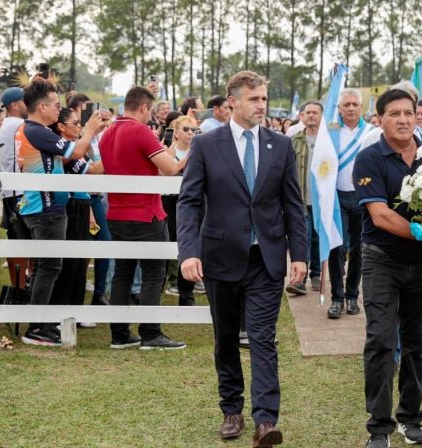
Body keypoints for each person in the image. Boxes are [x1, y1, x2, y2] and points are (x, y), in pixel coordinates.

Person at [177, 70, 307, 446]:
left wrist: (299, 254)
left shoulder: (280, 145)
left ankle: (265, 420)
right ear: (233, 101)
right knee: (226, 337)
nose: (262, 105)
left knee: (263, 338)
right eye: (255, 99)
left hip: (266, 258)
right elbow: (189, 202)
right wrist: (188, 252)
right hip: (220, 257)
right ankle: (231, 410)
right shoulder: (207, 144)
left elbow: (293, 204)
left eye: (264, 98)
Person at [354, 89, 422, 448]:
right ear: (379, 120)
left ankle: (411, 418)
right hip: (381, 261)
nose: (403, 119)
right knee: (381, 341)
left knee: (417, 344)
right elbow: (382, 216)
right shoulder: (369, 158)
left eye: (409, 112)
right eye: (394, 113)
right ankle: (379, 427)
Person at [16, 79, 106, 346]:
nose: (59, 108)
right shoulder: (36, 131)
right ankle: (37, 326)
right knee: (50, 267)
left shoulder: (33, 130)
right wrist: (90, 129)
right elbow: (76, 151)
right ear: (42, 106)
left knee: (45, 267)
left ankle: (40, 322)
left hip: (43, 208)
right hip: (45, 210)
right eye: (56, 104)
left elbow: (71, 158)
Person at [99, 85, 188, 350]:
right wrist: (189, 153)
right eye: (150, 111)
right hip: (145, 213)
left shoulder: (107, 133)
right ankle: (150, 332)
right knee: (153, 273)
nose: (151, 117)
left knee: (122, 274)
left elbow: (137, 168)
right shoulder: (140, 131)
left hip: (117, 212)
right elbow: (170, 169)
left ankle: (119, 334)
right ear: (144, 107)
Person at [48, 108, 104, 320]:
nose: (79, 126)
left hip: (81, 203)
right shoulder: (62, 150)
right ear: (62, 127)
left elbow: (94, 170)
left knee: (80, 260)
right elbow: (73, 159)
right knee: (69, 262)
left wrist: (112, 147)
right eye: (75, 122)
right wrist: (89, 133)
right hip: (68, 205)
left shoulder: (74, 150)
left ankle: (76, 310)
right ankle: (62, 313)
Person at [326, 88, 375, 318]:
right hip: (337, 197)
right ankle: (337, 298)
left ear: (361, 107)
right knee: (337, 247)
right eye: (346, 104)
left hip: (363, 197)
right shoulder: (331, 132)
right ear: (339, 108)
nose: (351, 108)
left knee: (359, 249)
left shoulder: (372, 132)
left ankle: (352, 296)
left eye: (355, 104)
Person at [286, 100, 324, 295]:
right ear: (302, 116)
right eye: (307, 112)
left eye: (315, 112)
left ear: (321, 116)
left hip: (322, 201)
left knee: (318, 240)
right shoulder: (294, 140)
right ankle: (300, 279)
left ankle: (316, 274)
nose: (311, 115)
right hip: (300, 199)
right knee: (303, 239)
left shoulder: (328, 141)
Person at [0, 87, 31, 293]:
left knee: (16, 240)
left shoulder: (7, 124)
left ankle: (18, 286)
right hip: (19, 192)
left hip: (11, 192)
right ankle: (20, 288)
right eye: (26, 100)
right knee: (22, 242)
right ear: (15, 105)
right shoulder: (18, 124)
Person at [161, 115, 196, 306]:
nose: (190, 133)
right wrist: (189, 157)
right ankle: (161, 286)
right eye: (186, 129)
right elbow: (166, 172)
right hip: (170, 201)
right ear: (176, 133)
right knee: (169, 243)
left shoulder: (200, 152)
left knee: (189, 245)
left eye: (193, 130)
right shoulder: (167, 152)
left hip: (193, 203)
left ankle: (186, 295)